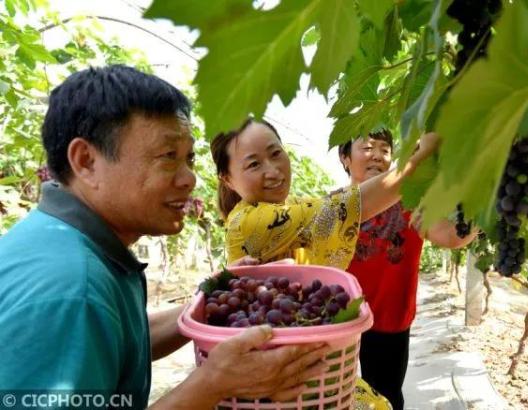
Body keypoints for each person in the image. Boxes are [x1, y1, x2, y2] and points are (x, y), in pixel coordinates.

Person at [0, 65, 330, 410]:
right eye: (168, 156)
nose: (189, 179)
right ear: (87, 161)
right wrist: (212, 385)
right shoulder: (71, 292)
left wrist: (211, 300)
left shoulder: (71, 246)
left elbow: (119, 341)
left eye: (189, 158)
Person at [210, 118, 440, 409]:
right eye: (254, 164)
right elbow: (345, 208)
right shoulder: (251, 222)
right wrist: (421, 156)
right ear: (227, 179)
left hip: (301, 361)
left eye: (276, 154)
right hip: (276, 378)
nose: (273, 171)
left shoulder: (287, 205)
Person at [338, 129, 477, 409]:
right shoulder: (333, 207)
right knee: (337, 396)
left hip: (389, 322)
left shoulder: (412, 204)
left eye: (385, 150)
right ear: (345, 158)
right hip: (340, 323)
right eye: (367, 148)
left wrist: (484, 199)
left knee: (386, 397)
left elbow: (451, 236)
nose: (377, 155)